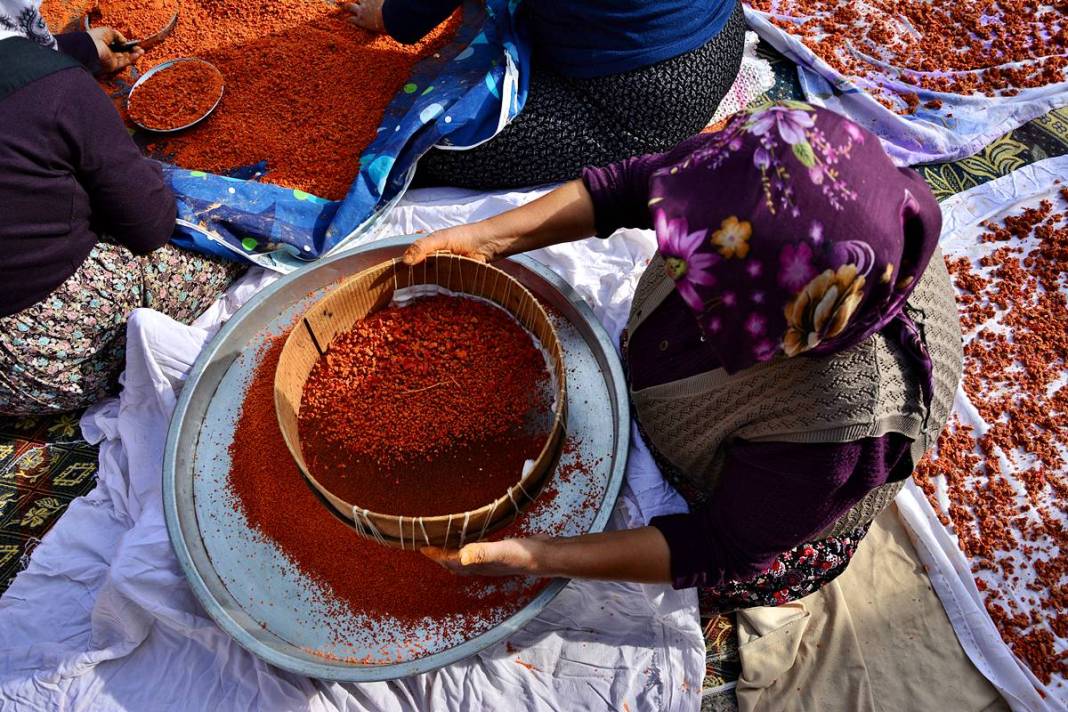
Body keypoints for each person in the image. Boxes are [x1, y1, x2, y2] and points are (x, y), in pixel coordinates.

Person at [411, 103, 963, 612]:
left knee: (751, 568)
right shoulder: (770, 160)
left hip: (758, 530)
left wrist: (540, 556)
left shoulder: (842, 422)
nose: (674, 272)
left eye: (705, 292)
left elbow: (721, 546)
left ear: (782, 327)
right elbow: (631, 186)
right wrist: (485, 238)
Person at [0, 0, 243, 416]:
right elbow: (149, 227)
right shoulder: (52, 86)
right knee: (227, 234)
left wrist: (78, 49)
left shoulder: (43, 76)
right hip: (44, 366)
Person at [345, 0, 746, 190]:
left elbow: (408, 21)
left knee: (430, 147)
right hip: (724, 34)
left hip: (647, 95)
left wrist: (385, 16)